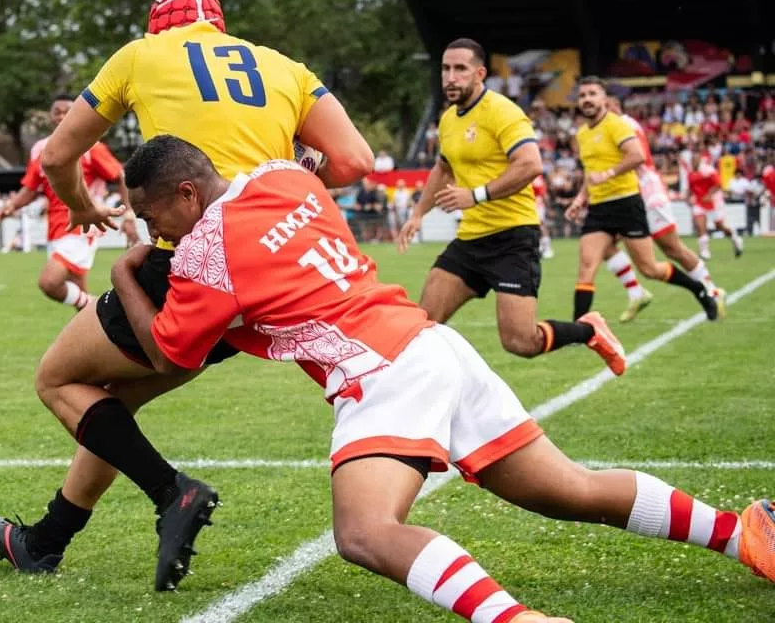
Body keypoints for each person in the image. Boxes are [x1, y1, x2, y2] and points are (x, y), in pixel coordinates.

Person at [111, 135, 775, 623]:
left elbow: (169, 353)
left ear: (187, 194)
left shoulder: (203, 253)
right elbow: (323, 158)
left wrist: (123, 274)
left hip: (382, 369)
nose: (153, 231)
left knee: (365, 532)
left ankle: (518, 622)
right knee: (568, 488)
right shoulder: (282, 176)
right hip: (432, 344)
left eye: (152, 216)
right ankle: (739, 532)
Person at [0, 0, 375, 589]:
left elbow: (59, 156)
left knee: (57, 380)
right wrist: (298, 173)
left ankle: (173, 494)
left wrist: (81, 208)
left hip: (191, 264)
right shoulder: (281, 66)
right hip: (267, 268)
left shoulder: (142, 55)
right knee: (113, 403)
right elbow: (354, 163)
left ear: (158, 27)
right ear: (221, 27)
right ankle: (45, 541)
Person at [398, 40, 624, 374]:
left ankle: (589, 330)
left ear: (480, 73)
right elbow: (443, 167)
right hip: (471, 240)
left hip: (513, 239)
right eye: (445, 69)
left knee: (520, 342)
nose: (450, 77)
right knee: (423, 327)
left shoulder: (502, 111)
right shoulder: (448, 120)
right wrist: (418, 213)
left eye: (460, 69)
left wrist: (475, 195)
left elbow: (530, 164)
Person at [565, 78, 719, 324]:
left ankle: (698, 289)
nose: (587, 99)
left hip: (627, 203)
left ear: (605, 99)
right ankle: (577, 329)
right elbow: (590, 171)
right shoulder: (582, 134)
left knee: (649, 269)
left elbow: (637, 156)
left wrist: (609, 174)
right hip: (598, 209)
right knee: (586, 267)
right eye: (582, 95)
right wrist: (580, 198)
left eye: (592, 94)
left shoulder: (616, 125)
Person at [1, 96, 138, 310]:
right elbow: (30, 189)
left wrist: (128, 215)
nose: (62, 116)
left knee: (49, 282)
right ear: (50, 116)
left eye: (68, 111)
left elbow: (121, 176)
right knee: (79, 300)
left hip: (83, 225)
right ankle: (99, 329)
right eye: (57, 111)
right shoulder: (41, 149)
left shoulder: (91, 146)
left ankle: (104, 309)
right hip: (55, 228)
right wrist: (8, 207)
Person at [600, 97, 726, 323]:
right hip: (627, 196)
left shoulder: (624, 125)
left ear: (614, 106)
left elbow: (635, 158)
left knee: (672, 249)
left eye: (604, 107)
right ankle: (636, 293)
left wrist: (606, 172)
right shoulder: (612, 127)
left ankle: (712, 291)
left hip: (647, 194)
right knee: (603, 243)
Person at [687, 153, 743, 260]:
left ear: (699, 160)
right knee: (700, 226)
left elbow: (718, 184)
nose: (693, 162)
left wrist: (709, 194)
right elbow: (691, 188)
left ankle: (735, 238)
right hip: (699, 202)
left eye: (695, 160)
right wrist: (688, 197)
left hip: (713, 202)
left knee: (720, 226)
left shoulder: (708, 171)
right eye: (692, 160)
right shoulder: (690, 174)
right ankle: (704, 251)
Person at [531, 172, 554, 259]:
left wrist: (548, 208)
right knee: (535, 226)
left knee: (541, 225)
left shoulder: (537, 177)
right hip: (530, 203)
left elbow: (543, 193)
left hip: (537, 203)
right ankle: (539, 247)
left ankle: (547, 248)